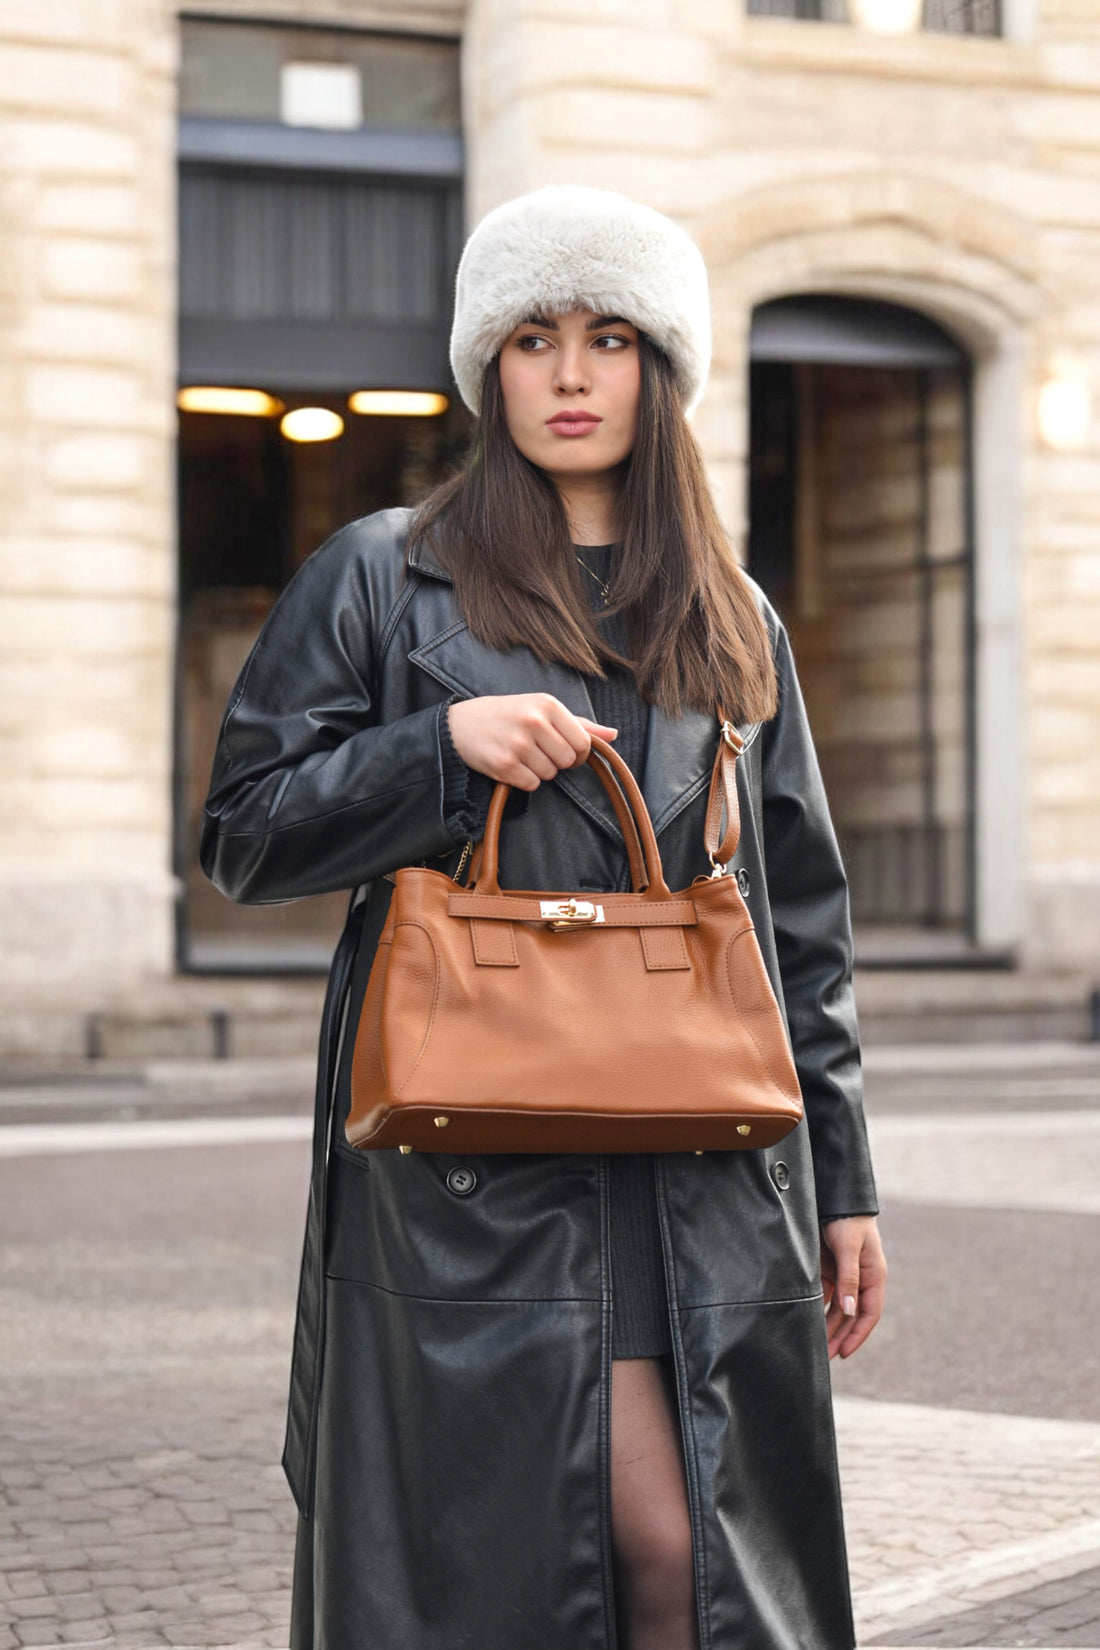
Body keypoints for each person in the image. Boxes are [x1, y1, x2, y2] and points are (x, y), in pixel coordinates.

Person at [201, 183, 887, 1650]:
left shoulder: (732, 615)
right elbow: (243, 833)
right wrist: (432, 752)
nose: (571, 375)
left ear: (663, 365)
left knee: (689, 1575)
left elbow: (801, 924)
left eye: (609, 335)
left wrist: (844, 1183)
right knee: (549, 1571)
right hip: (476, 1182)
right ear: (486, 365)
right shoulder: (388, 574)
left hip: (699, 1171)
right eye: (532, 336)